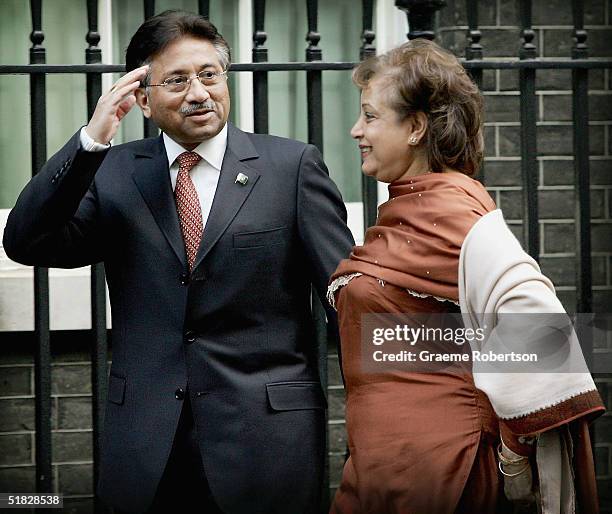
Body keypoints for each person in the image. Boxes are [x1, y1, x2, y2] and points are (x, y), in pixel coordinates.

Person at [3, 10, 354, 514]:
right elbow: (26, 241)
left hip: (267, 441)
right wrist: (90, 141)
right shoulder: (114, 173)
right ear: (141, 99)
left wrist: (378, 409)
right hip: (147, 445)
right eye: (177, 80)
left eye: (209, 75)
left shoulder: (291, 167)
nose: (199, 93)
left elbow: (345, 297)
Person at [327, 39, 604, 514]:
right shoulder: (413, 203)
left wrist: (514, 450)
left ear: (415, 127)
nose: (357, 130)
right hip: (385, 460)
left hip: (438, 466)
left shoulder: (452, 207)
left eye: (370, 116)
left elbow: (537, 319)